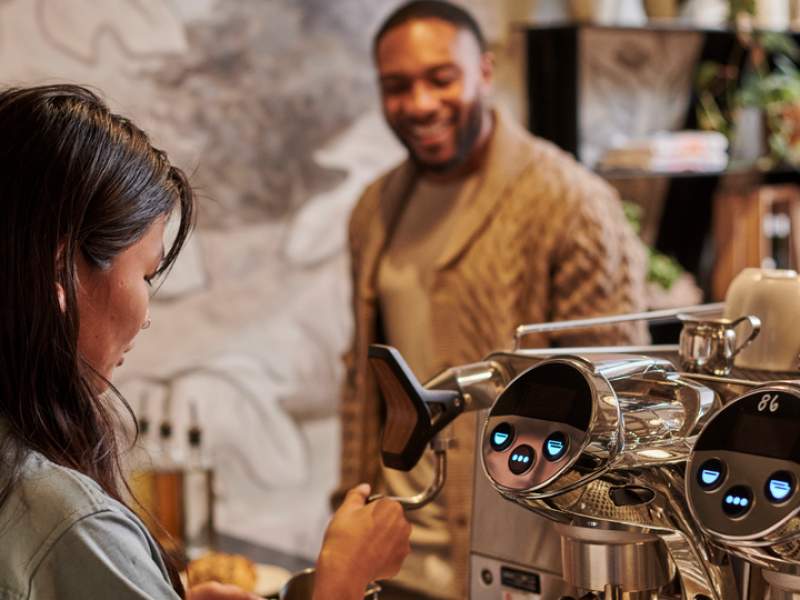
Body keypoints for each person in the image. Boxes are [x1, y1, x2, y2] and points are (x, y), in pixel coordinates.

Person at [0, 84, 410, 600]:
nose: (146, 316)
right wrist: (341, 584)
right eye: (146, 274)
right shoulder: (68, 524)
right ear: (59, 274)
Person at [336, 1, 649, 598]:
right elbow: (364, 382)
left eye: (441, 78)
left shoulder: (572, 205)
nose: (420, 103)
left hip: (513, 565)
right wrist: (346, 511)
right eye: (397, 86)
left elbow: (614, 417)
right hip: (392, 558)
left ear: (485, 71)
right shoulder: (374, 210)